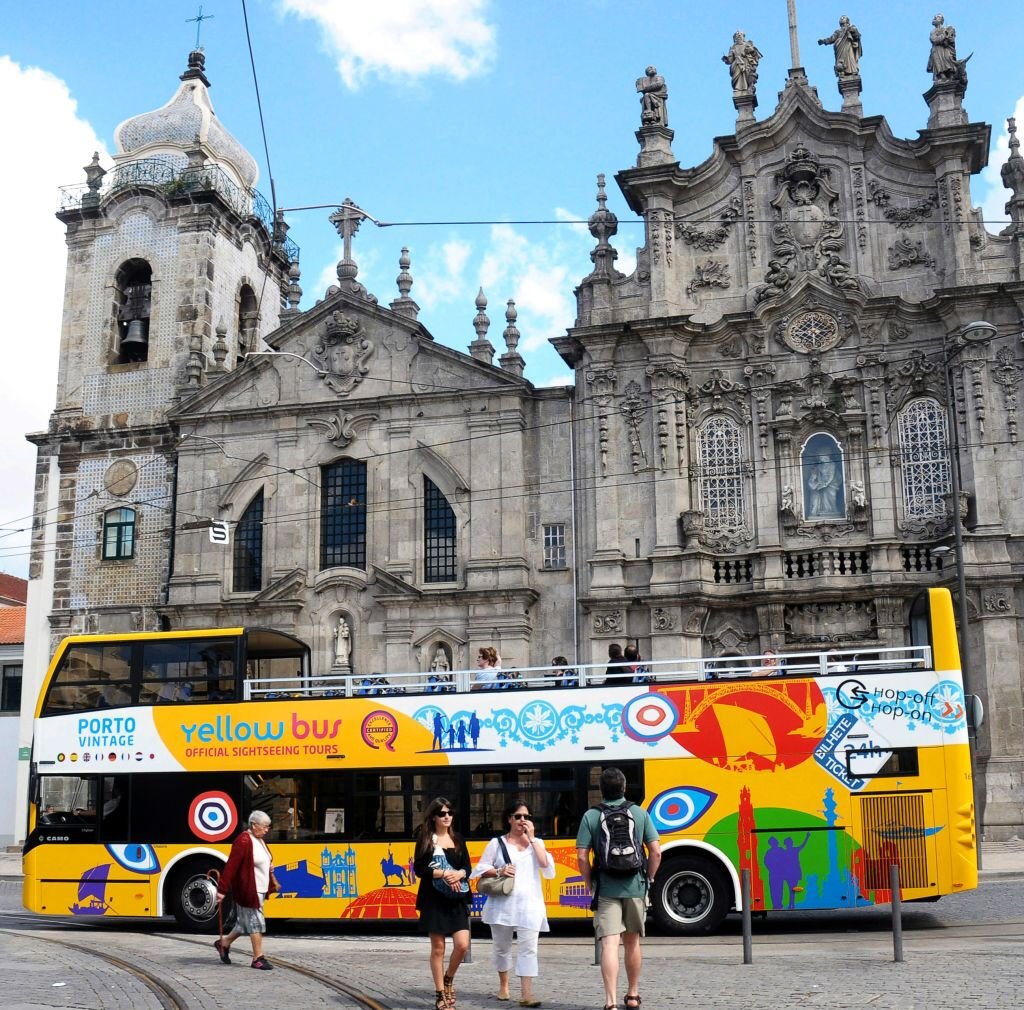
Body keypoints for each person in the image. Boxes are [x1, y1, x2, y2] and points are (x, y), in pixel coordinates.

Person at [576, 768, 661, 1010]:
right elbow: (655, 852)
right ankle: (633, 995)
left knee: (609, 944)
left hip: (606, 888)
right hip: (635, 886)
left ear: (601, 790)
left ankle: (610, 1002)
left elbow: (582, 857)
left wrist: (588, 882)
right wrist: (650, 880)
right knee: (632, 943)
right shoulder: (639, 813)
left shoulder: (591, 816)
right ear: (624, 788)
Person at [472, 799, 555, 1006]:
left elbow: (547, 868)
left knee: (529, 949)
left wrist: (533, 839)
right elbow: (480, 869)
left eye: (526, 817)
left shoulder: (537, 844)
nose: (522, 820)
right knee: (502, 948)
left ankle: (526, 994)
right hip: (503, 904)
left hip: (530, 905)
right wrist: (499, 871)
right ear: (509, 819)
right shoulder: (496, 843)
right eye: (518, 816)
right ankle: (504, 986)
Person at [414, 797, 471, 1010]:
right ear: (434, 817)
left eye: (449, 813)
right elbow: (420, 869)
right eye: (442, 813)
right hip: (434, 899)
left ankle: (449, 978)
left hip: (456, 899)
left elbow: (467, 866)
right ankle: (440, 994)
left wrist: (460, 874)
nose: (447, 817)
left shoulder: (458, 839)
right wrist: (444, 873)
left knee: (462, 945)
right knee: (438, 948)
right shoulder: (426, 839)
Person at [214, 809, 278, 970]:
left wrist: (271, 875)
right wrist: (222, 889)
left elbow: (266, 861)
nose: (267, 829)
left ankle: (224, 943)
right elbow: (231, 867)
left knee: (243, 924)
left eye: (268, 827)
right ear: (254, 825)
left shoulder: (260, 840)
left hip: (259, 889)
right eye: (264, 826)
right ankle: (258, 958)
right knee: (256, 922)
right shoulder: (243, 841)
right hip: (249, 890)